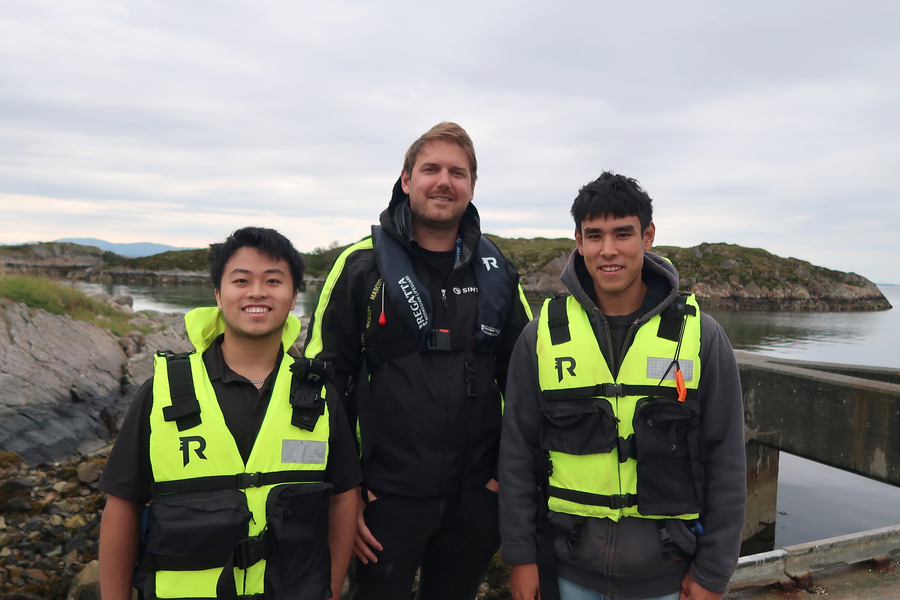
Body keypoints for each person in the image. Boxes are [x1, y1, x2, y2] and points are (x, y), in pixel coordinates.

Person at [304, 122, 533, 600]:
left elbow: (527, 385)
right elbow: (320, 386)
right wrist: (344, 495)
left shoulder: (499, 274)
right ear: (406, 179)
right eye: (431, 169)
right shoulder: (360, 268)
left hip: (476, 499)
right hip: (384, 498)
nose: (444, 181)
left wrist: (503, 477)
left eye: (458, 172)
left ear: (471, 186)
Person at [498, 172, 746, 600]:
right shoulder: (540, 337)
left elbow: (726, 458)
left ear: (647, 236)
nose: (608, 250)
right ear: (578, 240)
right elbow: (517, 453)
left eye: (622, 233)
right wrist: (521, 557)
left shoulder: (702, 337)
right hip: (570, 573)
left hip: (667, 577)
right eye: (594, 235)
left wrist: (712, 574)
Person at [98, 227, 362, 600]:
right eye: (242, 280)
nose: (257, 292)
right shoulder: (164, 392)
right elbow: (123, 504)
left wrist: (332, 589)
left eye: (273, 280)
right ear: (219, 296)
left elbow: (343, 496)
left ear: (294, 297)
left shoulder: (319, 395)